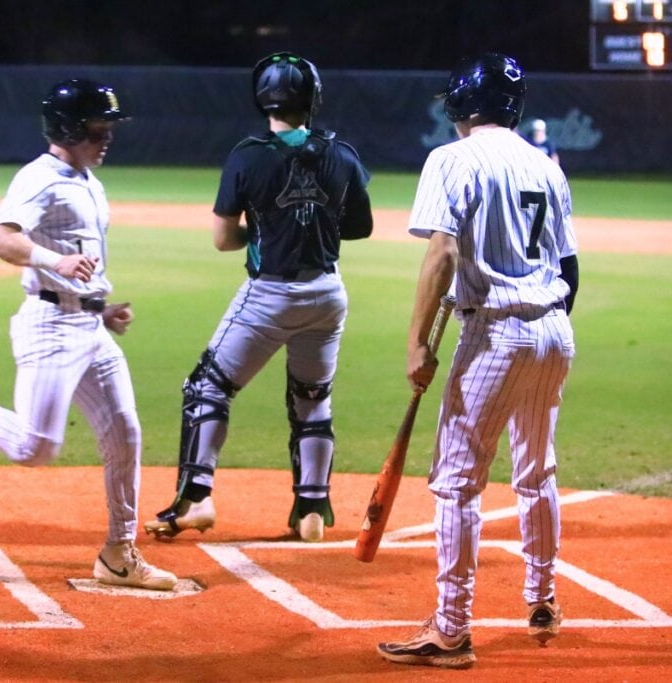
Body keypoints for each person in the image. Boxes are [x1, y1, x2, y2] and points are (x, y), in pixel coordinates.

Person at [0, 78, 177, 591]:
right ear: (68, 126)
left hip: (87, 324)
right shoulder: (40, 178)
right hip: (50, 328)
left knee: (125, 435)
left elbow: (78, 259)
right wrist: (56, 260)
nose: (107, 135)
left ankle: (118, 553)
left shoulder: (87, 178)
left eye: (108, 125)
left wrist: (100, 307)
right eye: (97, 126)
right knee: (35, 447)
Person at [377, 54, 579, 669]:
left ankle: (450, 627)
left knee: (457, 483)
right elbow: (569, 270)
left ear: (463, 105)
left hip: (495, 333)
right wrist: (545, 327)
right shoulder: (546, 166)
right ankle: (542, 598)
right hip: (555, 329)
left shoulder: (451, 158)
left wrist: (416, 342)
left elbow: (440, 255)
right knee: (536, 469)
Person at [144, 51, 373, 543]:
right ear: (312, 99)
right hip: (328, 295)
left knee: (207, 389)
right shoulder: (344, 154)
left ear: (261, 99)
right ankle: (311, 510)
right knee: (312, 398)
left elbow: (224, 239)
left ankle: (196, 499)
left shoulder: (247, 155)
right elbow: (359, 227)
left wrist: (265, 228)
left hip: (270, 294)